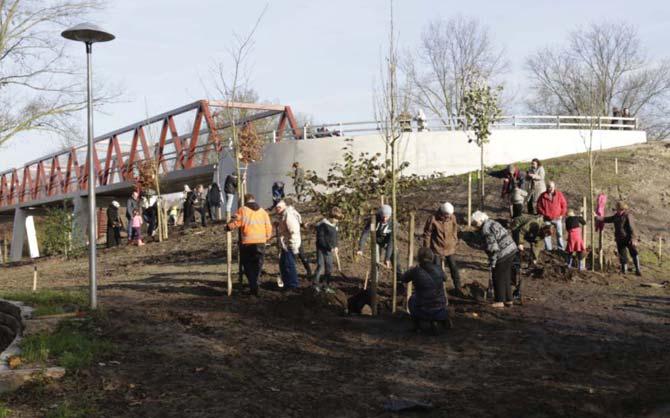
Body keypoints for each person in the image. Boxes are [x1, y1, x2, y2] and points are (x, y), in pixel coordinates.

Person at [226, 194, 273, 295]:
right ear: (254, 199)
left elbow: (236, 223)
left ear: (244, 201)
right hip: (261, 242)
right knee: (257, 266)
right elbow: (268, 227)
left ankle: (253, 286)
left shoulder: (243, 210)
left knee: (248, 266)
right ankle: (255, 284)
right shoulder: (263, 212)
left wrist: (228, 226)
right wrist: (266, 237)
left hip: (247, 243)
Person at [472, 211, 518, 308]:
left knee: (497, 276)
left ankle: (499, 301)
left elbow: (493, 248)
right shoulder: (492, 222)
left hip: (503, 253)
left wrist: (493, 262)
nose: (475, 226)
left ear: (481, 220)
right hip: (512, 249)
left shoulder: (485, 229)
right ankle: (509, 300)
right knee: (506, 276)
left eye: (476, 223)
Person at [401, 247, 450, 334]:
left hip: (424, 307)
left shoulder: (415, 271)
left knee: (411, 300)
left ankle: (417, 326)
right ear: (432, 257)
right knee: (437, 298)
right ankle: (441, 319)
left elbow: (404, 279)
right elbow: (445, 278)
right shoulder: (438, 269)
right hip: (440, 304)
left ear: (419, 258)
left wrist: (410, 270)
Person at [422, 202, 462, 294]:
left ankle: (458, 288)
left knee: (454, 268)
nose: (449, 216)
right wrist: (427, 249)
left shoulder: (452, 217)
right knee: (437, 270)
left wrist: (455, 240)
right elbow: (427, 234)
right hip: (437, 248)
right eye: (447, 214)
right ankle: (438, 291)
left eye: (450, 214)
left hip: (450, 248)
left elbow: (455, 229)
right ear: (442, 212)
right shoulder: (433, 219)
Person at [596, 201, 641, 276]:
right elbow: (607, 219)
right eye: (617, 209)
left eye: (619, 209)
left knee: (633, 253)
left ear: (623, 209)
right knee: (622, 255)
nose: (617, 211)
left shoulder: (628, 215)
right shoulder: (616, 216)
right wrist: (597, 217)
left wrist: (634, 238)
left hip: (628, 238)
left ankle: (638, 270)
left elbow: (632, 228)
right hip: (619, 238)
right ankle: (624, 271)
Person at [314, 207, 344, 293]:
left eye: (338, 219)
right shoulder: (322, 225)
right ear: (331, 217)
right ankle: (315, 284)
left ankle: (326, 285)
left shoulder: (335, 225)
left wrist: (336, 246)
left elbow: (335, 238)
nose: (336, 220)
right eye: (335, 218)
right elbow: (321, 239)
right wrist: (330, 247)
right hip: (321, 248)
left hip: (330, 249)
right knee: (320, 266)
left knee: (329, 267)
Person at [357, 205, 395, 269]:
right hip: (376, 241)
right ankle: (374, 276)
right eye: (383, 217)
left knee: (395, 255)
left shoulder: (393, 224)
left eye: (387, 217)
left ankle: (400, 277)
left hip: (386, 241)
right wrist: (361, 249)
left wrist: (387, 258)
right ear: (380, 214)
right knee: (376, 260)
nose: (385, 219)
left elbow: (391, 242)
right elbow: (365, 234)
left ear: (390, 216)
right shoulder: (374, 220)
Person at [275, 200, 302, 290]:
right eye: (276, 208)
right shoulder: (283, 215)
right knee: (283, 263)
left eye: (278, 207)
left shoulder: (288, 215)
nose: (276, 209)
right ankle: (287, 283)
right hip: (285, 243)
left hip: (290, 243)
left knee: (289, 264)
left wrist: (290, 241)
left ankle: (293, 285)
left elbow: (293, 229)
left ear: (283, 207)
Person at [536, 181, 568, 252]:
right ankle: (548, 249)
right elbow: (538, 206)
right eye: (549, 187)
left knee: (559, 234)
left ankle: (561, 249)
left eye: (552, 187)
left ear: (554, 187)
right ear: (547, 187)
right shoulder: (542, 196)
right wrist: (544, 213)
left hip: (557, 218)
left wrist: (562, 215)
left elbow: (564, 205)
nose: (551, 188)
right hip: (547, 218)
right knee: (547, 234)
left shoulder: (559, 194)